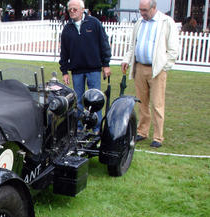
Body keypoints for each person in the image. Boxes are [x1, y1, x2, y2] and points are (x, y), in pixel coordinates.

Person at [121, 0, 178, 148]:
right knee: (142, 102)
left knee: (157, 104)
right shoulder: (139, 23)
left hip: (157, 70)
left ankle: (158, 137)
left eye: (145, 10)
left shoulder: (166, 22)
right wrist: (127, 59)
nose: (142, 13)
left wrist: (164, 66)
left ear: (153, 8)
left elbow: (173, 49)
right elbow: (133, 45)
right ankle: (142, 131)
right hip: (140, 67)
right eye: (140, 10)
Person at [59, 0, 111, 134]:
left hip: (93, 69)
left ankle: (97, 127)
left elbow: (104, 44)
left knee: (95, 100)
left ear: (83, 10)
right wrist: (64, 71)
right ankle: (81, 127)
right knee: (79, 101)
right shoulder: (67, 29)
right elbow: (64, 52)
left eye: (75, 9)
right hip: (77, 71)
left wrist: (106, 64)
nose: (72, 11)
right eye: (70, 9)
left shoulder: (94, 23)